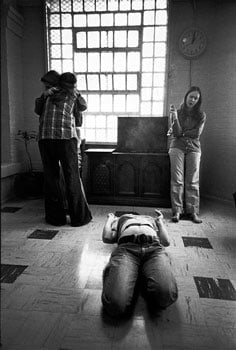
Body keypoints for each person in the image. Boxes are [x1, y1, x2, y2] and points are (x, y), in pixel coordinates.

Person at [35, 71, 92, 227]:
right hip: (66, 139)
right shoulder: (73, 95)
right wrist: (77, 92)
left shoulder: (47, 95)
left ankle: (55, 218)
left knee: (51, 179)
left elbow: (37, 110)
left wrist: (44, 94)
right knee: (72, 177)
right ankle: (79, 218)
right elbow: (84, 107)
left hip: (46, 139)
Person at [101, 210, 178, 318]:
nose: (134, 215)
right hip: (127, 250)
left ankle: (138, 275)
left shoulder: (151, 220)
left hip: (154, 249)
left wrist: (160, 221)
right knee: (115, 304)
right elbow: (107, 237)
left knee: (166, 296)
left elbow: (166, 241)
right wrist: (110, 219)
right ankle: (137, 275)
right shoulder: (121, 219)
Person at [168, 86, 206, 224]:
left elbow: (196, 134)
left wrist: (184, 132)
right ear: (186, 97)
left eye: (196, 98)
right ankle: (177, 211)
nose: (193, 100)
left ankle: (193, 211)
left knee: (193, 180)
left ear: (198, 100)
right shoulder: (176, 113)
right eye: (191, 97)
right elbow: (176, 133)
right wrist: (176, 118)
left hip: (194, 147)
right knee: (177, 179)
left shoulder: (201, 115)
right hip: (177, 146)